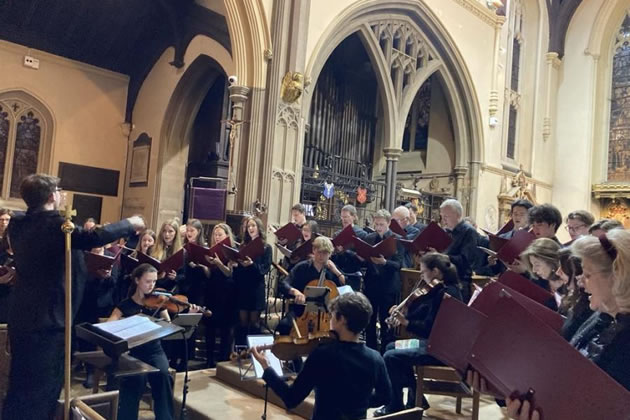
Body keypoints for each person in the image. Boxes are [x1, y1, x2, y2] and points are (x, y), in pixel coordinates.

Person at [2, 173, 144, 420]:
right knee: (42, 391)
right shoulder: (56, 225)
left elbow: (49, 262)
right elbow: (94, 237)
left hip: (24, 317)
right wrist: (130, 222)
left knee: (21, 384)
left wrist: (87, 269)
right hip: (49, 322)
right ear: (51, 196)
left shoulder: (18, 224)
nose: (61, 194)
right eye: (59, 191)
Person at [474, 229, 630, 419]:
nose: (581, 282)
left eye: (588, 274)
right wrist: (505, 389)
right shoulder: (601, 318)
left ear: (618, 278)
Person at [252, 292, 392, 420]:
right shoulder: (375, 358)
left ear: (342, 319)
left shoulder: (322, 355)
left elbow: (291, 399)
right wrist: (360, 402)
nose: (329, 320)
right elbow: (385, 397)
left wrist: (266, 367)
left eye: (332, 316)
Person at [375, 252, 463, 416]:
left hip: (440, 351)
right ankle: (416, 397)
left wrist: (406, 322)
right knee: (391, 346)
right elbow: (423, 313)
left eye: (423, 272)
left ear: (435, 271)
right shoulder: (442, 289)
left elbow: (428, 328)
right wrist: (403, 314)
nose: (421, 276)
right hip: (434, 344)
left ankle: (395, 405)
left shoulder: (446, 294)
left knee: (391, 356)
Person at [108, 264, 198, 420]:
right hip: (133, 352)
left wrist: (188, 315)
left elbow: (170, 326)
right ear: (137, 280)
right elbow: (109, 325)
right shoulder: (125, 305)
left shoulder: (159, 303)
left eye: (154, 281)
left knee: (163, 376)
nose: (152, 286)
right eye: (148, 281)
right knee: (135, 379)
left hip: (154, 351)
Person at [362, 209, 404, 352]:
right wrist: (361, 257)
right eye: (376, 224)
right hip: (371, 284)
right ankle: (370, 350)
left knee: (386, 320)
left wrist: (385, 262)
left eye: (381, 224)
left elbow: (399, 265)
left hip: (388, 286)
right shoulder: (369, 238)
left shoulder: (396, 239)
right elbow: (365, 260)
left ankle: (386, 351)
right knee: (370, 319)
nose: (378, 228)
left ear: (389, 223)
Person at [201, 224, 238, 367]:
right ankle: (209, 360)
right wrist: (204, 266)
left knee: (225, 329)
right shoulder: (211, 251)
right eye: (215, 234)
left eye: (220, 234)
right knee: (210, 327)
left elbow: (229, 273)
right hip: (212, 292)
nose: (217, 237)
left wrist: (219, 263)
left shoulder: (231, 251)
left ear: (227, 236)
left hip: (227, 294)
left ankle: (223, 359)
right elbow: (209, 274)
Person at [232, 216, 272, 345]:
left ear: (259, 228)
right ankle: (241, 349)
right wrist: (236, 264)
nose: (250, 228)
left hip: (256, 288)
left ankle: (254, 351)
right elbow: (239, 270)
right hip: (243, 287)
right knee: (242, 322)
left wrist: (252, 264)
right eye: (249, 226)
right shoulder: (243, 246)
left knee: (254, 323)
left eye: (253, 225)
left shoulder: (266, 247)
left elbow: (264, 269)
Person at [439, 199, 482, 303]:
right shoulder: (446, 231)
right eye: (442, 217)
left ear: (457, 215)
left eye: (446, 217)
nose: (443, 220)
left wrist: (441, 257)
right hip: (443, 280)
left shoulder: (469, 231)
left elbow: (466, 260)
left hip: (459, 282)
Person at [331, 204, 367, 291]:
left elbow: (363, 258)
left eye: (346, 217)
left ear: (354, 217)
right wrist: (336, 252)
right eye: (342, 217)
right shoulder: (337, 234)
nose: (344, 219)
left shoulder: (362, 234)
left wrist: (346, 251)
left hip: (354, 272)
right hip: (338, 272)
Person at [151, 219, 183, 291]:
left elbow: (184, 276)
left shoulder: (181, 252)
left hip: (171, 288)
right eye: (164, 231)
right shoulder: (154, 248)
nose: (167, 234)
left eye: (170, 231)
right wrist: (158, 276)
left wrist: (176, 277)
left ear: (176, 233)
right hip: (155, 285)